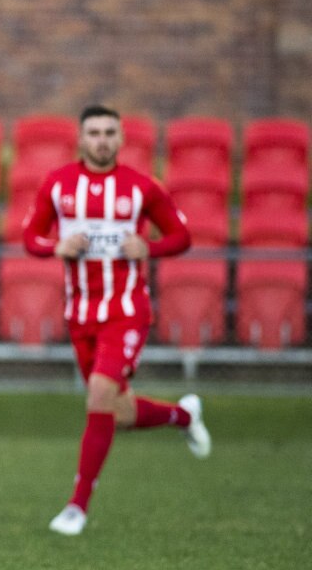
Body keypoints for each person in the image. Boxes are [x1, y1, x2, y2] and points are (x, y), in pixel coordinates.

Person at [21, 104, 212, 537]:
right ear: (81, 138)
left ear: (121, 139)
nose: (102, 140)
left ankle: (76, 506)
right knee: (117, 411)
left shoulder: (142, 187)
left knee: (99, 395)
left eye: (110, 132)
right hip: (80, 315)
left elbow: (182, 235)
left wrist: (150, 247)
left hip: (126, 312)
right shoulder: (57, 185)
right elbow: (30, 237)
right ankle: (183, 416)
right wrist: (56, 246)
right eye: (94, 132)